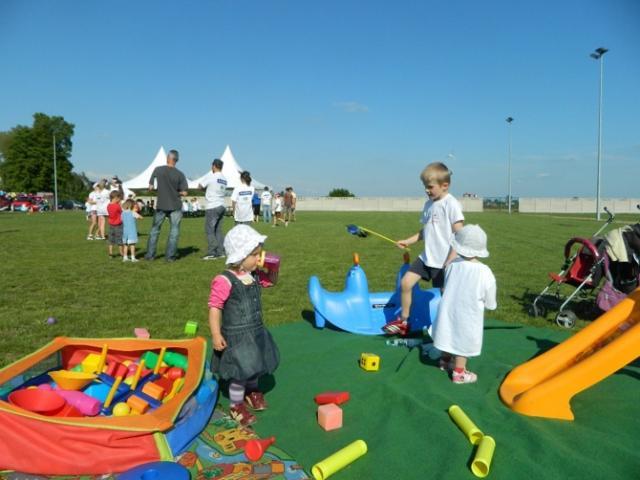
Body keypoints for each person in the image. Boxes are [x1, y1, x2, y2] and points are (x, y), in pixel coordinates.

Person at [208, 225, 280, 426]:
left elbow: (272, 281)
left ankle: (252, 391)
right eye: (255, 255)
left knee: (256, 364)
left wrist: (273, 269)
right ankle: (236, 404)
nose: (259, 258)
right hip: (237, 336)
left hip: (255, 331)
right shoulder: (224, 280)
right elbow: (215, 308)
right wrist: (216, 334)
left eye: (260, 254)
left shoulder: (254, 275)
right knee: (240, 371)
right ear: (240, 257)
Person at [383, 162, 464, 336]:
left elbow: (460, 234)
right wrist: (408, 241)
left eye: (430, 187)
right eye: (425, 187)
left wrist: (451, 258)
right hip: (427, 258)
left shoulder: (452, 204)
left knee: (446, 296)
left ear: (445, 185)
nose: (427, 190)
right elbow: (425, 231)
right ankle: (404, 321)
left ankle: (451, 330)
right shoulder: (428, 205)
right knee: (405, 283)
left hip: (445, 261)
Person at [431, 225, 497, 384]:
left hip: (449, 309)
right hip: (468, 314)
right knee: (463, 341)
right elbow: (490, 299)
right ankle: (459, 373)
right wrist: (490, 304)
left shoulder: (452, 265)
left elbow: (447, 286)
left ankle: (444, 361)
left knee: (447, 332)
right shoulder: (485, 272)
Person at [144, 149, 188, 262]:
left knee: (155, 230)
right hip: (176, 205)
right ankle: (170, 257)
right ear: (176, 160)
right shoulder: (180, 174)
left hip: (161, 204)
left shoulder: (158, 170)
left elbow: (150, 187)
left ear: (168, 158)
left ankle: (150, 255)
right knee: (174, 231)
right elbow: (184, 193)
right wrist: (176, 192)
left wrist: (155, 188)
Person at [199, 158, 227, 260]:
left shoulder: (212, 176)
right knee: (218, 230)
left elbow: (200, 186)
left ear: (214, 166)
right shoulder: (224, 179)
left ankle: (211, 252)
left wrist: (204, 189)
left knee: (209, 229)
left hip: (212, 206)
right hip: (222, 205)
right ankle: (221, 252)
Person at [106, 190, 125, 260]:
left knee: (111, 239)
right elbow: (122, 212)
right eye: (119, 198)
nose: (120, 200)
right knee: (120, 239)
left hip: (111, 224)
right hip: (118, 224)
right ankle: (121, 253)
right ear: (116, 198)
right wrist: (120, 205)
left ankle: (110, 253)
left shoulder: (108, 205)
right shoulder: (117, 206)